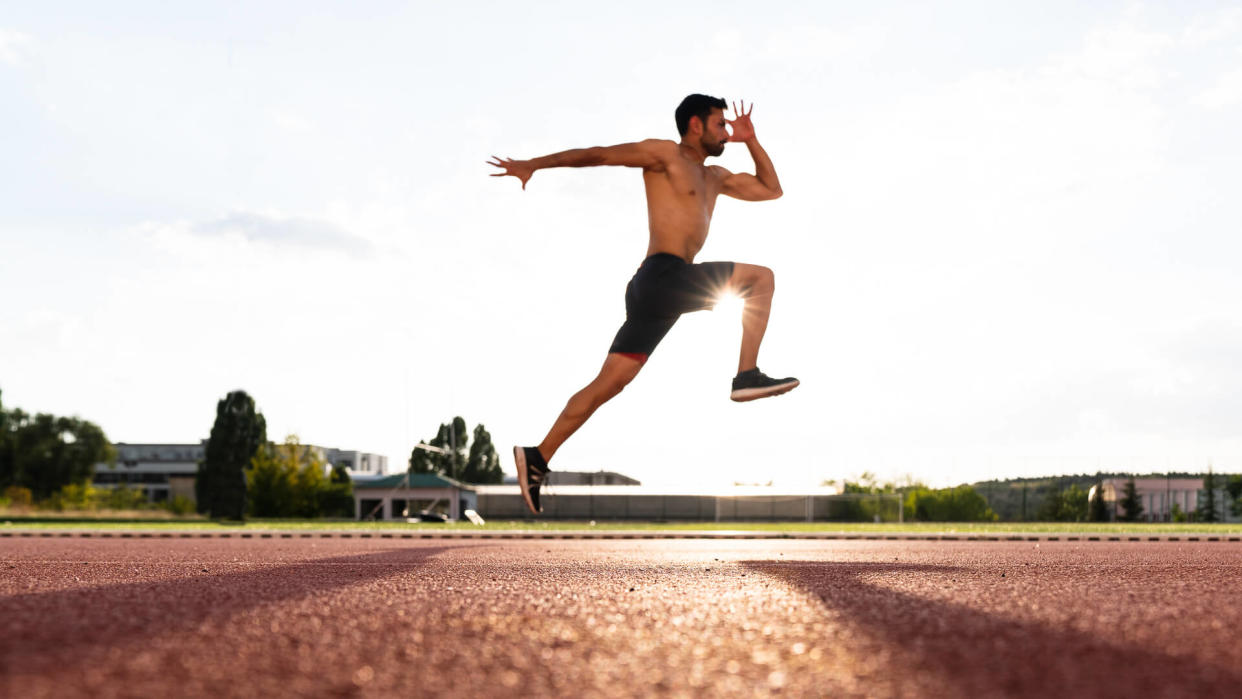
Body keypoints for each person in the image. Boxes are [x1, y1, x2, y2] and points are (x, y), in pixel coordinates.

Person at [488, 94, 799, 515]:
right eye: (721, 125)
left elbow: (771, 190)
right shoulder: (664, 154)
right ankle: (746, 375)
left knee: (609, 383)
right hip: (661, 276)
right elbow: (597, 155)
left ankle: (538, 456)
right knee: (760, 279)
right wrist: (534, 164)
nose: (727, 132)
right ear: (695, 125)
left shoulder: (717, 177)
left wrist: (752, 141)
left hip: (659, 292)